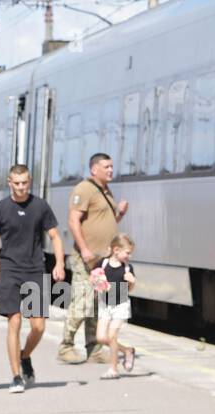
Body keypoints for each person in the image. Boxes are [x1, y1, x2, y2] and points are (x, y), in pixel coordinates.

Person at [0, 165, 65, 393]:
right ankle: (16, 375)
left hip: (35, 270)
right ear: (9, 182)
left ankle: (25, 355)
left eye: (24, 183)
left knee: (38, 326)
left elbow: (55, 236)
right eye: (16, 183)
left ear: (30, 182)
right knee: (15, 321)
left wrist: (59, 263)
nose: (20, 187)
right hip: (10, 270)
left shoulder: (40, 206)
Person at [60, 152, 128, 364]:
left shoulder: (107, 192)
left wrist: (120, 215)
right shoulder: (84, 189)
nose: (110, 170)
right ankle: (66, 346)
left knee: (98, 305)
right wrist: (84, 249)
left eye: (111, 166)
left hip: (103, 260)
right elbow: (73, 221)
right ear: (94, 169)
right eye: (106, 167)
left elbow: (103, 220)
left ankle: (94, 348)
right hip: (86, 259)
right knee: (82, 303)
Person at [94, 234, 137, 379]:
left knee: (112, 336)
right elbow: (92, 279)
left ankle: (113, 369)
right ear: (116, 250)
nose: (129, 256)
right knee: (101, 337)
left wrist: (132, 282)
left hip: (121, 304)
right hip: (105, 304)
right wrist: (99, 281)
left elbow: (129, 290)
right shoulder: (103, 264)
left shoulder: (127, 268)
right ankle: (127, 351)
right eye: (127, 253)